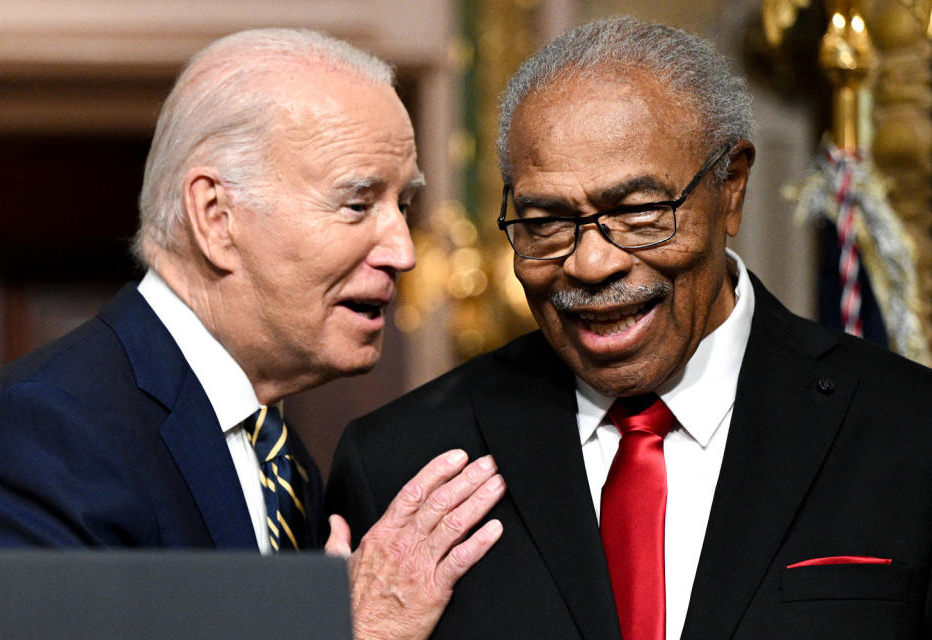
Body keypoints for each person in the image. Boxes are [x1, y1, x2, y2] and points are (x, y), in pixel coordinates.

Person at [326, 16, 932, 640]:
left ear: (731, 188)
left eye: (640, 212)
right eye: (547, 221)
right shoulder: (402, 464)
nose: (591, 264)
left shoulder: (909, 433)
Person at [0, 29, 506, 640]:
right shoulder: (45, 431)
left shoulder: (283, 462)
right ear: (216, 218)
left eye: (402, 206)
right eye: (358, 204)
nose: (403, 252)